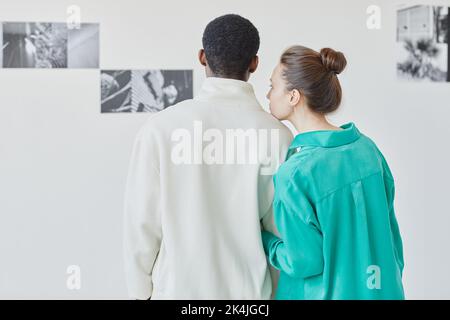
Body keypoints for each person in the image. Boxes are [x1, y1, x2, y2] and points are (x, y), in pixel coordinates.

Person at [123, 14, 292, 299]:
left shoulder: (159, 130)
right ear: (254, 63)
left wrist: (140, 294)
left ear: (202, 57)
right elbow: (281, 234)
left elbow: (141, 225)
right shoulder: (278, 136)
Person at [262, 45, 405, 299]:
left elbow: (304, 261)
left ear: (293, 96)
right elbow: (390, 234)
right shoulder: (368, 149)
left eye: (272, 86)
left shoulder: (295, 174)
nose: (268, 94)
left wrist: (266, 241)